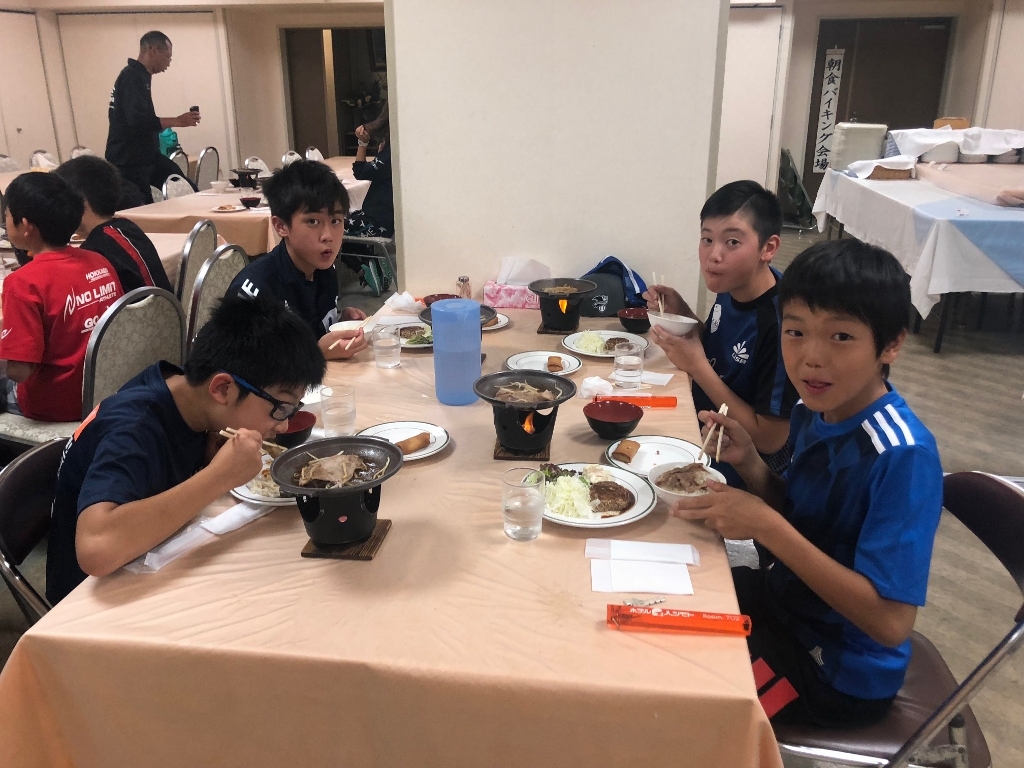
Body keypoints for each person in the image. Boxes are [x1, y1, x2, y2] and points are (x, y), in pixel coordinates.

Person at [673, 239, 943, 728]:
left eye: (841, 336)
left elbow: (890, 623)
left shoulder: (902, 456)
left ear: (891, 344)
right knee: (658, 605)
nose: (811, 358)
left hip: (833, 670)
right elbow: (804, 516)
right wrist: (751, 464)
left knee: (671, 692)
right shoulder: (813, 410)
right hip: (786, 605)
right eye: (795, 331)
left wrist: (765, 526)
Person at [46, 293, 326, 604]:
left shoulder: (186, 394)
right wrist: (219, 476)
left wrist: (206, 456)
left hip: (152, 560)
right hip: (91, 601)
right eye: (281, 408)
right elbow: (96, 549)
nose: (284, 426)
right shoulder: (134, 427)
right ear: (223, 388)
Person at [644, 180, 798, 485]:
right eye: (707, 239)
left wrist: (697, 367)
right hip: (704, 425)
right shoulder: (733, 284)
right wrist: (683, 315)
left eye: (732, 242)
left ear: (768, 248)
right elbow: (721, 352)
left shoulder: (784, 323)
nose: (714, 255)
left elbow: (770, 440)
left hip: (745, 468)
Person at [0, 173, 124, 422]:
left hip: (57, 403)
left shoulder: (23, 283)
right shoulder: (98, 261)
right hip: (109, 388)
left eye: (6, 217)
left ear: (26, 226)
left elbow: (19, 371)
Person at [226, 160, 368, 361]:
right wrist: (316, 354)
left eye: (336, 221)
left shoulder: (323, 270)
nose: (328, 236)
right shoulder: (257, 290)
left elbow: (312, 330)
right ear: (281, 226)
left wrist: (339, 319)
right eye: (313, 221)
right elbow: (242, 368)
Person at [105, 30, 201, 204]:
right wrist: (178, 121)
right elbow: (137, 121)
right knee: (140, 207)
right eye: (168, 57)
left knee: (184, 185)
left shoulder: (141, 76)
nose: (169, 63)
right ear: (153, 51)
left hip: (146, 156)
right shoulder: (131, 77)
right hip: (129, 160)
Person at [55, 155, 174, 293]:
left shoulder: (94, 251)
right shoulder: (127, 227)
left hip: (139, 306)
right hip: (167, 305)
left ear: (82, 203)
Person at [342, 103, 394, 294]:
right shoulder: (392, 152)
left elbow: (360, 171)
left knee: (332, 229)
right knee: (343, 227)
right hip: (383, 219)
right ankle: (372, 264)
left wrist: (362, 144)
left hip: (376, 222)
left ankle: (362, 270)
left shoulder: (390, 155)